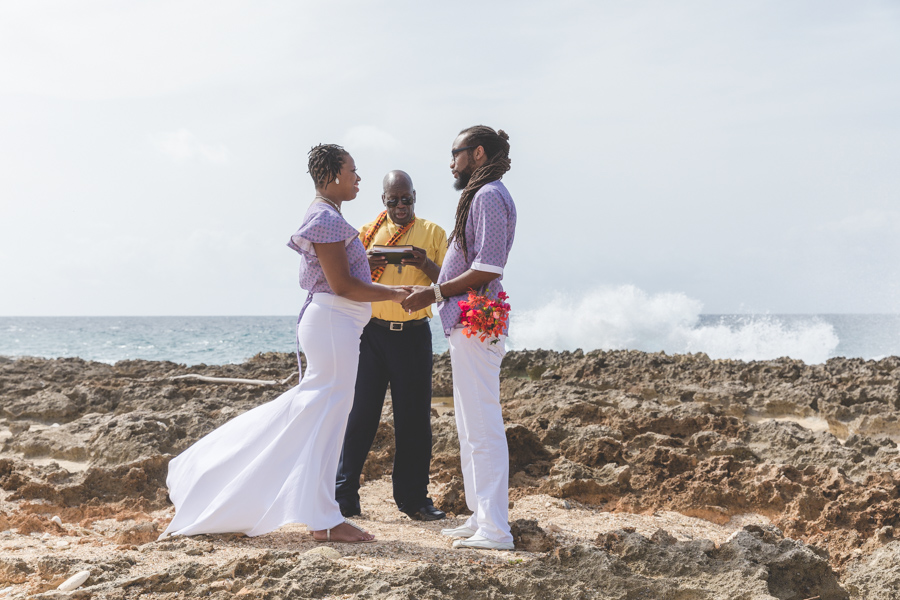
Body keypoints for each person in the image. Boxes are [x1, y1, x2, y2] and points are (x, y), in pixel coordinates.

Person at [161, 144, 409, 543]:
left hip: (335, 324)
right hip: (332, 324)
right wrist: (396, 294)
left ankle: (321, 515)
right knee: (321, 416)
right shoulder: (325, 217)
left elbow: (340, 277)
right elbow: (343, 285)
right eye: (352, 170)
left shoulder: (329, 215)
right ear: (331, 176)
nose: (358, 177)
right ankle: (322, 518)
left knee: (321, 417)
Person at [402, 125, 517, 551]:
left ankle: (495, 530)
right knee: (470, 425)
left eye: (456, 153)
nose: (451, 161)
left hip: (476, 322)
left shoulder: (487, 196)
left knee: (482, 424)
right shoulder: (482, 195)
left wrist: (433, 293)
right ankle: (481, 516)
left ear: (479, 154)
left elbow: (488, 268)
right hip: (467, 322)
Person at [335, 170, 448, 522]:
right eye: (393, 200)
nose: (401, 206)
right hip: (371, 334)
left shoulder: (433, 233)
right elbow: (348, 280)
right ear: (383, 201)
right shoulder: (365, 234)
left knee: (414, 421)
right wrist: (366, 264)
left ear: (415, 195)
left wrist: (424, 262)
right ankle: (343, 499)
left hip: (413, 335)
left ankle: (414, 500)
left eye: (407, 199)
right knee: (359, 417)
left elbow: (448, 282)